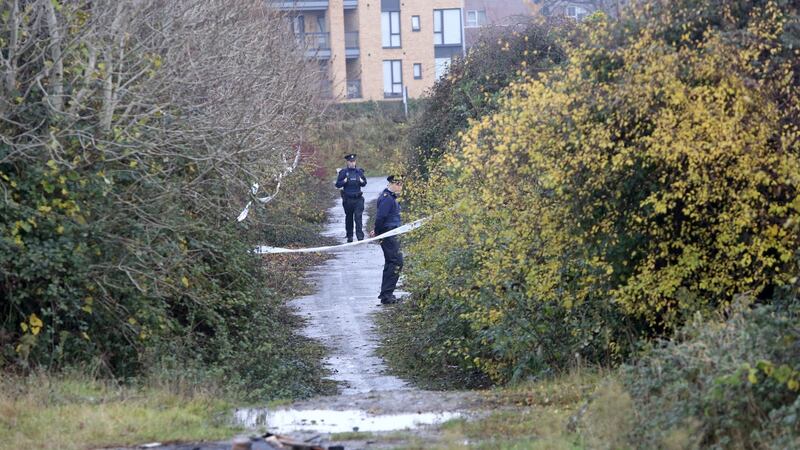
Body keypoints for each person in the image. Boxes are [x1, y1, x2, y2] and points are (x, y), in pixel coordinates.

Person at [370, 175, 403, 304]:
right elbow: (380, 217)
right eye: (397, 183)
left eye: (401, 184)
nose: (400, 186)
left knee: (392, 262)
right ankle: (387, 295)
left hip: (392, 234)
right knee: (395, 262)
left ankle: (386, 294)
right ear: (390, 184)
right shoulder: (387, 198)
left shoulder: (391, 198)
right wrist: (378, 232)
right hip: (388, 235)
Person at [335, 153, 367, 242]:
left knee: (358, 217)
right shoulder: (343, 172)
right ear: (347, 162)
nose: (352, 163)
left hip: (358, 199)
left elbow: (364, 183)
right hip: (348, 199)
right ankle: (350, 236)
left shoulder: (359, 171)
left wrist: (361, 180)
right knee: (349, 217)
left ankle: (360, 237)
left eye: (354, 161)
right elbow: (337, 185)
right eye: (350, 161)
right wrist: (344, 181)